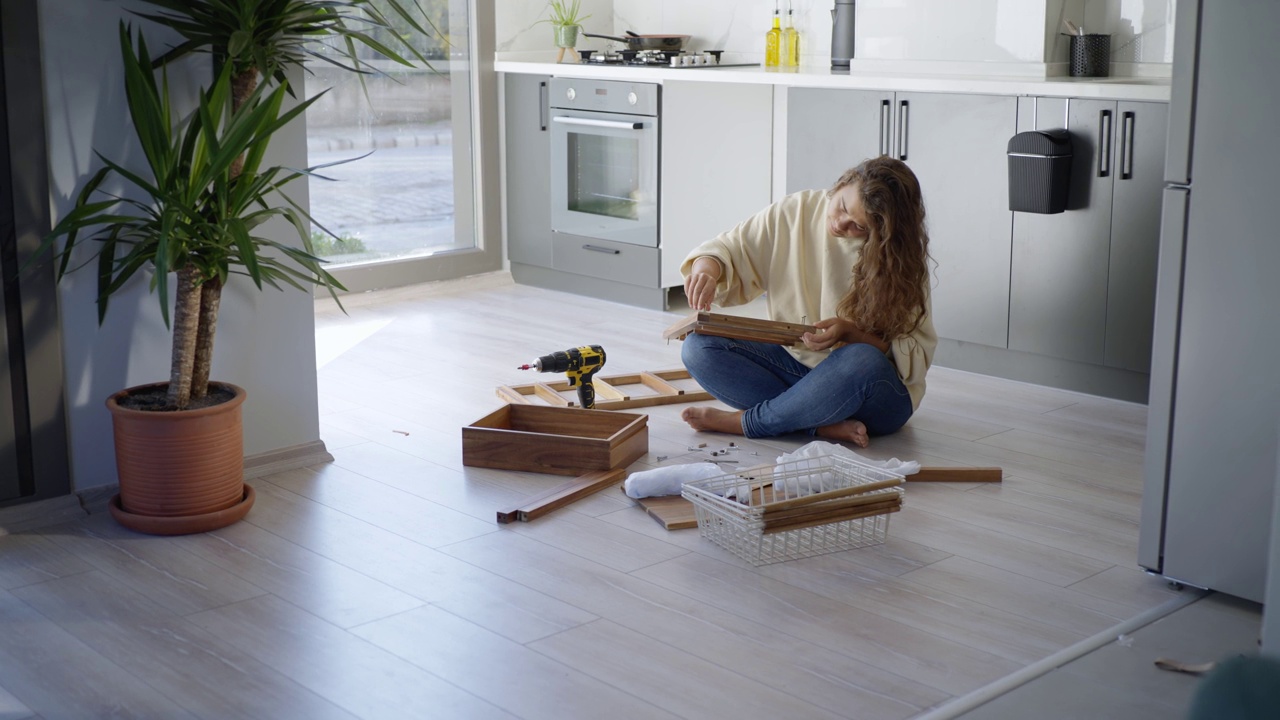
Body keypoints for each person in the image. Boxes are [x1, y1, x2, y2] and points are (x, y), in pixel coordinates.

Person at [679, 156, 936, 447]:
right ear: (842, 183)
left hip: (871, 395)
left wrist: (852, 334)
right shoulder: (796, 210)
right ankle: (818, 426)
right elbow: (730, 247)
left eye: (859, 228)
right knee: (699, 347)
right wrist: (706, 269)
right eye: (841, 207)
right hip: (796, 369)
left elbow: (909, 356)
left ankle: (746, 423)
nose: (840, 225)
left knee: (862, 360)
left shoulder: (900, 257)